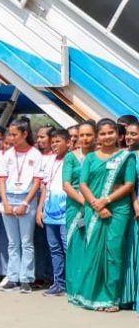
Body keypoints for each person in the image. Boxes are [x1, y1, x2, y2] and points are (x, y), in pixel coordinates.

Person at [72, 119, 135, 311]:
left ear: (118, 134)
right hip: (94, 208)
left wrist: (105, 201)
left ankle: (112, 298)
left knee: (113, 251)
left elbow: (129, 184)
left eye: (110, 133)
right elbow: (83, 184)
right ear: (98, 136)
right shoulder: (90, 158)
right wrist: (97, 205)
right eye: (103, 133)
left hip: (119, 209)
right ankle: (94, 296)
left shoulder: (126, 157)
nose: (107, 137)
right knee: (93, 252)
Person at [0, 120, 43, 293]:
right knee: (12, 242)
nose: (12, 138)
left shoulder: (35, 154)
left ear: (25, 134)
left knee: (26, 241)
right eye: (10, 134)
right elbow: (1, 179)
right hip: (9, 197)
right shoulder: (7, 154)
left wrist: (25, 203)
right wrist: (6, 203)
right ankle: (13, 276)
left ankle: (26, 278)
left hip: (26, 198)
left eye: (15, 134)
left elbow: (37, 181)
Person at [64, 121, 95, 301]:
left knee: (92, 246)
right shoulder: (70, 157)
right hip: (76, 206)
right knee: (75, 246)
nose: (84, 138)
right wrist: (85, 201)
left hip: (97, 206)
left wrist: (93, 203)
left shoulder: (100, 157)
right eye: (81, 135)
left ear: (95, 136)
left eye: (88, 135)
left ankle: (90, 289)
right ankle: (75, 289)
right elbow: (66, 184)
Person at [38, 129, 70, 297]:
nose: (55, 144)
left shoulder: (72, 160)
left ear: (68, 143)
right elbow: (45, 187)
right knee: (55, 249)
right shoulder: (50, 161)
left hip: (66, 212)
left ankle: (72, 283)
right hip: (50, 212)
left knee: (67, 248)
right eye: (53, 142)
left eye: (59, 141)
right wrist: (40, 209)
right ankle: (59, 283)